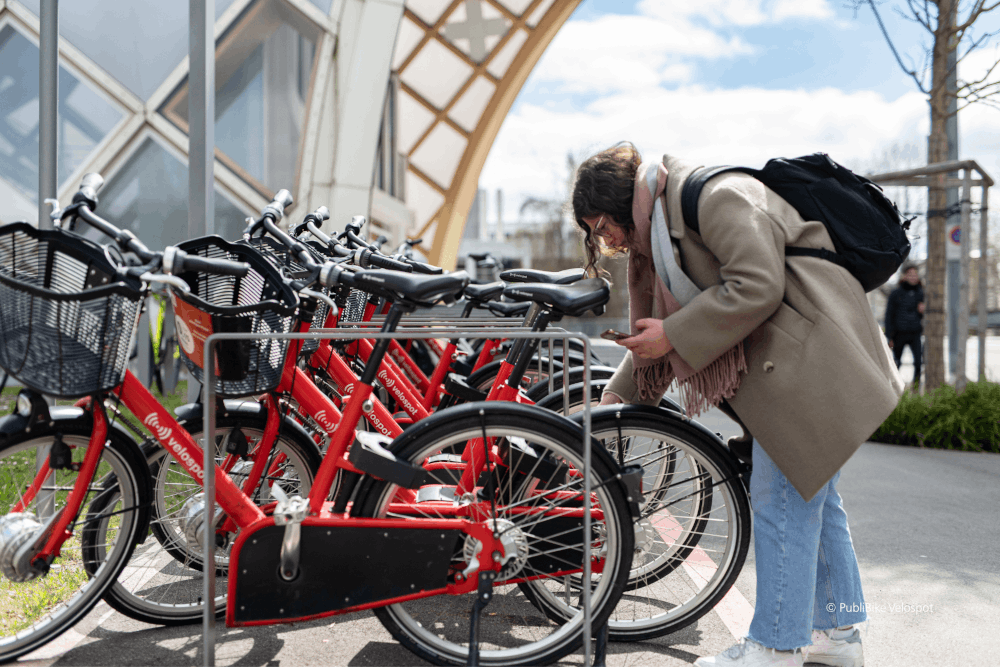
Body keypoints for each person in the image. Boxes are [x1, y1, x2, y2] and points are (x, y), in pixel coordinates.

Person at [572, 143, 903, 667]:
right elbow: (656, 334)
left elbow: (757, 284)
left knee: (781, 500)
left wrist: (675, 335)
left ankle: (776, 645)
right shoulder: (661, 229)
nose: (601, 238)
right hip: (803, 366)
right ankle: (837, 635)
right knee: (813, 499)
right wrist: (615, 398)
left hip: (813, 364)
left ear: (617, 202)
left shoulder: (713, 197)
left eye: (598, 224)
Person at [883, 264, 924, 388]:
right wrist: (889, 336)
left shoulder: (921, 293)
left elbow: (923, 316)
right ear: (905, 276)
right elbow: (889, 315)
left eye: (915, 274)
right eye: (910, 274)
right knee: (896, 363)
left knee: (918, 362)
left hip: (915, 333)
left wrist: (921, 312)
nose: (913, 277)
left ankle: (916, 388)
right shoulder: (896, 293)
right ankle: (894, 388)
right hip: (899, 334)